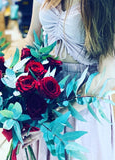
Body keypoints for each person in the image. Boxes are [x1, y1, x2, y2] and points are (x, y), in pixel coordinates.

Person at [15, 0, 115, 159]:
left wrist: (55, 117)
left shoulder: (104, 4)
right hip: (45, 92)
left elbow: (107, 78)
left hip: (85, 99)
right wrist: (15, 86)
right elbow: (32, 41)